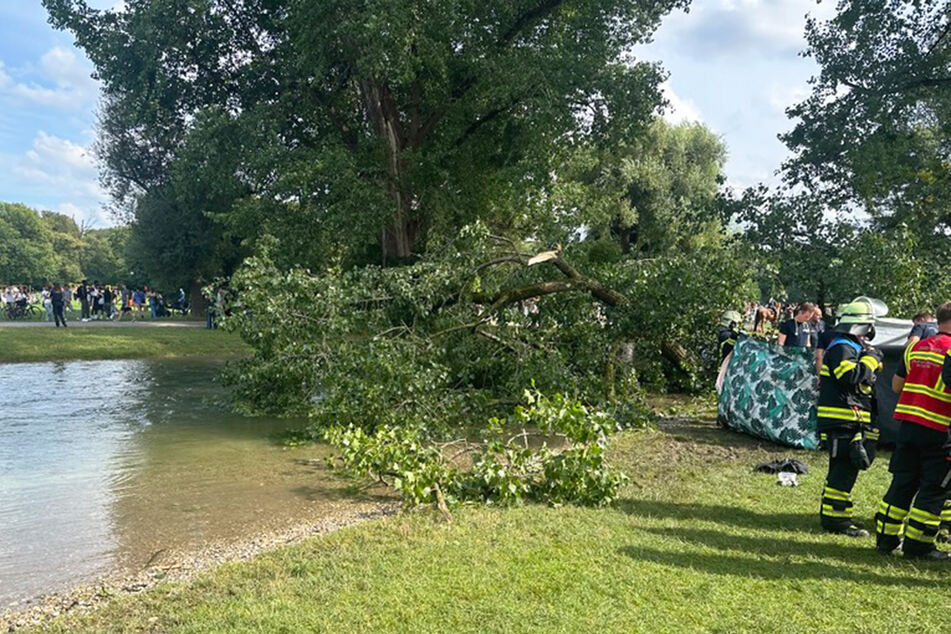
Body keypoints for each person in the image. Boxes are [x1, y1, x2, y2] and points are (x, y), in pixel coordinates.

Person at [874, 302, 951, 560]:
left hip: (907, 427)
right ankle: (918, 546)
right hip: (939, 429)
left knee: (902, 482)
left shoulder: (915, 348)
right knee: (934, 488)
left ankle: (885, 539)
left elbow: (896, 386)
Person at [816, 299, 883, 537]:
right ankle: (837, 522)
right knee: (843, 471)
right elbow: (849, 376)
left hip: (847, 419)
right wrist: (872, 360)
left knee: (844, 469)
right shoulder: (843, 347)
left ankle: (835, 516)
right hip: (841, 420)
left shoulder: (848, 346)